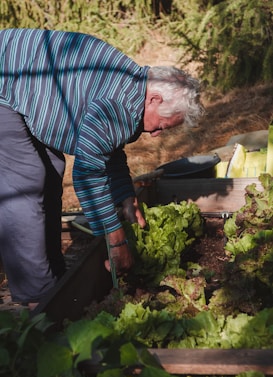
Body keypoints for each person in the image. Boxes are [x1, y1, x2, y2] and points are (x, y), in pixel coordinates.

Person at [0, 28, 204, 306]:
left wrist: (126, 197)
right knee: (26, 180)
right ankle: (36, 295)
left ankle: (52, 277)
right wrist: (116, 240)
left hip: (21, 76)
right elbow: (86, 174)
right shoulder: (119, 103)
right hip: (6, 79)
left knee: (51, 168)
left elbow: (108, 147)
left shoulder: (134, 87)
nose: (156, 134)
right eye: (162, 126)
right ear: (155, 99)